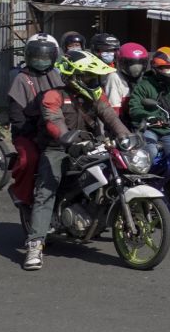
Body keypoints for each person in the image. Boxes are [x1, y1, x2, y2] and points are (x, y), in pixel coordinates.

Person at [25, 50, 130, 270]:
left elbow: (110, 116)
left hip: (91, 145)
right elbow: (54, 122)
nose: (94, 82)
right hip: (58, 149)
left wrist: (125, 137)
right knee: (47, 191)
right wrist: (68, 140)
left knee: (119, 173)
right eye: (89, 77)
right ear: (73, 76)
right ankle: (35, 245)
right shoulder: (53, 95)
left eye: (96, 78)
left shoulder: (95, 96)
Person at [6, 34, 63, 209]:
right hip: (29, 132)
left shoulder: (57, 75)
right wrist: (30, 132)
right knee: (28, 159)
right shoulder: (21, 78)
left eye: (45, 56)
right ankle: (20, 192)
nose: (41, 60)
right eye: (37, 56)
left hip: (55, 129)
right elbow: (16, 114)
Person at [109, 42, 149, 123]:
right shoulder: (115, 77)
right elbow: (115, 109)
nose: (136, 69)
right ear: (121, 62)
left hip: (144, 120)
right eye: (131, 64)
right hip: (124, 121)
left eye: (140, 64)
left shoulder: (145, 78)